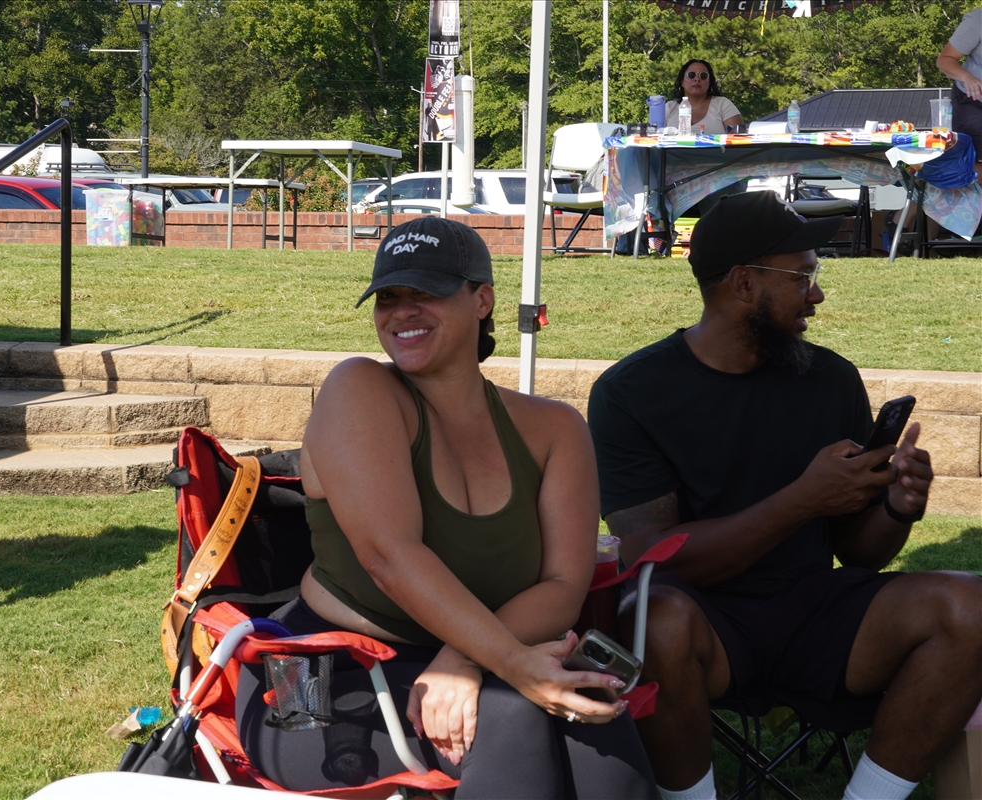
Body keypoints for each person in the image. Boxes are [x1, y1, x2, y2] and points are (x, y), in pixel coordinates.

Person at [235, 216, 656, 798]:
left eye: (426, 293)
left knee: (593, 712)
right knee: (512, 717)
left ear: (482, 300)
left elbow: (564, 585)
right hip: (320, 679)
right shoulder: (358, 389)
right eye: (388, 297)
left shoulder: (554, 429)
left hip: (470, 655)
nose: (402, 312)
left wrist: (468, 658)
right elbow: (389, 555)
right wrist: (507, 661)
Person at [587, 192, 982, 800]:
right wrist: (802, 499)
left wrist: (897, 507)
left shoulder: (829, 379)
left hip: (815, 609)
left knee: (970, 603)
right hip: (703, 620)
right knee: (654, 616)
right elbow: (650, 558)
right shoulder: (632, 391)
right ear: (744, 283)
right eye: (802, 276)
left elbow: (859, 554)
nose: (816, 295)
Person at [938, 7, 982, 169]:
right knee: (971, 159)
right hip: (973, 100)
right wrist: (967, 77)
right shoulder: (977, 20)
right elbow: (945, 59)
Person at [665, 59, 744, 134]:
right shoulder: (669, 108)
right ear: (682, 81)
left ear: (709, 82)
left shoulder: (723, 104)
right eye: (691, 75)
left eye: (703, 76)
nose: (697, 79)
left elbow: (738, 140)